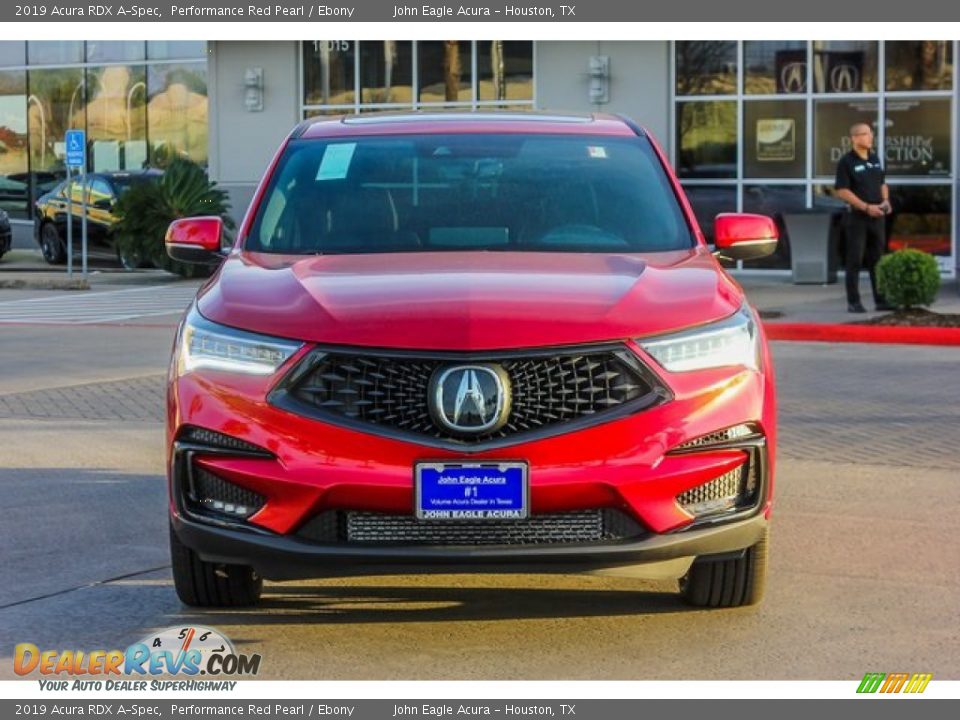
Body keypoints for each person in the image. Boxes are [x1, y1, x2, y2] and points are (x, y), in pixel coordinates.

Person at [834, 122, 893, 313]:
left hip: (877, 217)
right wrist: (866, 207)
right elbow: (842, 191)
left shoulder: (875, 159)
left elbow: (882, 182)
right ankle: (854, 301)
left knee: (878, 259)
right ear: (855, 138)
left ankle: (881, 300)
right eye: (865, 134)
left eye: (870, 134)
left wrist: (885, 201)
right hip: (857, 219)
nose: (870, 137)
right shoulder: (846, 162)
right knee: (855, 260)